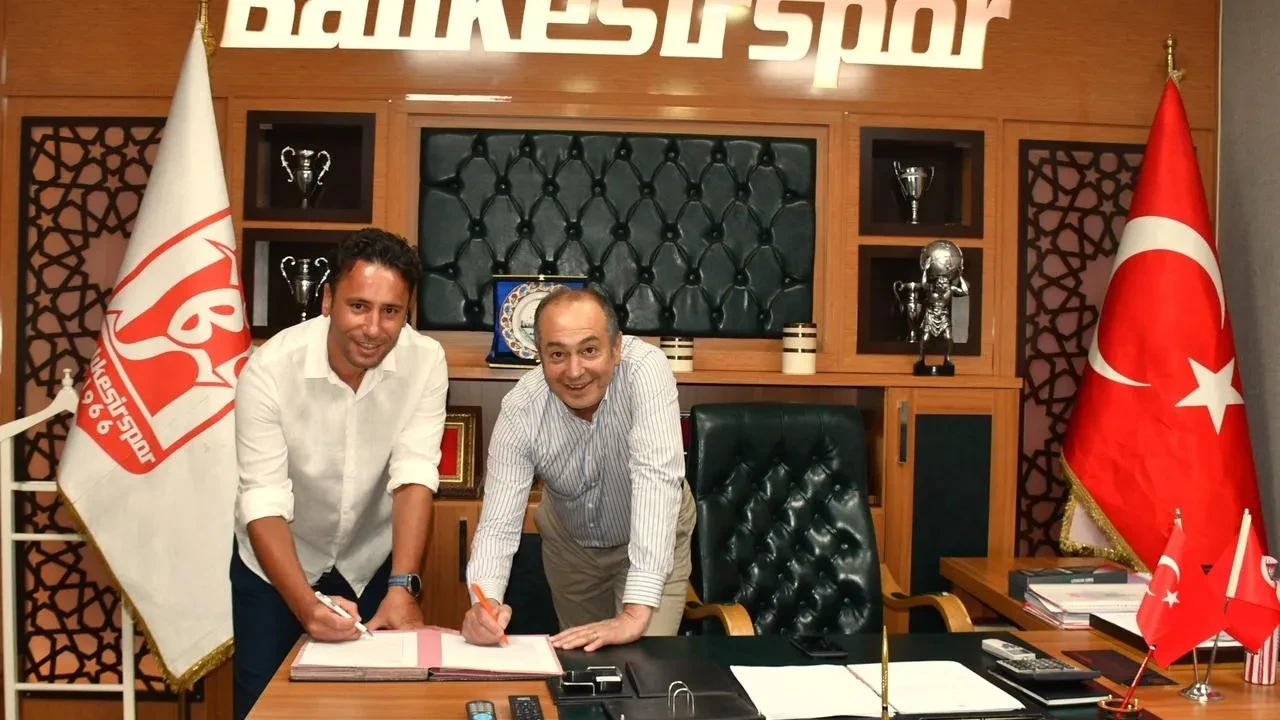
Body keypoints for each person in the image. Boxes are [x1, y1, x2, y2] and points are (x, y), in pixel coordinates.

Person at [230, 228, 448, 718]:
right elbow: (262, 500)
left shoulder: (426, 361)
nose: (373, 328)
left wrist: (403, 585)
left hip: (372, 562)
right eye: (359, 306)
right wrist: (305, 605)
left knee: (375, 708)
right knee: (266, 704)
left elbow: (414, 473)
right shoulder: (268, 370)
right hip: (277, 565)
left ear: (407, 312)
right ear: (327, 300)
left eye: (390, 311)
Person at [462, 286, 694, 651]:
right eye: (557, 354)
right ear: (539, 356)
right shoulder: (521, 409)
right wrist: (484, 604)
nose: (574, 371)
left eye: (589, 350)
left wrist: (634, 614)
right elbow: (498, 525)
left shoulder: (645, 369)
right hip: (571, 547)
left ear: (616, 348)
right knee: (585, 661)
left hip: (654, 531)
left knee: (646, 659)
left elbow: (656, 478)